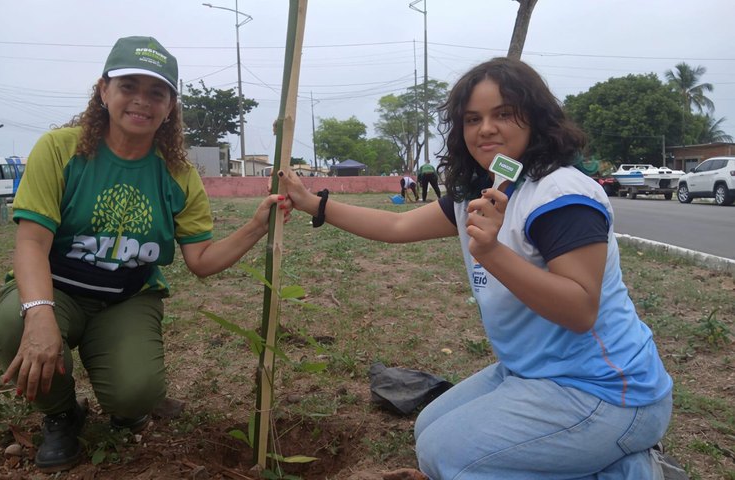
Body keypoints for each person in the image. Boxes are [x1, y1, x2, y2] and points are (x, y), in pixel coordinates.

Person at [278, 57, 672, 479]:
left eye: (503, 113)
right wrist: (313, 204)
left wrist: (493, 253)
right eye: (472, 118)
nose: (485, 128)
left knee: (443, 454)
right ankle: (611, 463)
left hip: (609, 393)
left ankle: (631, 468)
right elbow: (396, 224)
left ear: (536, 117)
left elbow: (580, 311)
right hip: (532, 373)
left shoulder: (562, 195)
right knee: (429, 425)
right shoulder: (481, 191)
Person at [0, 36, 291, 473]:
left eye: (156, 92)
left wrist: (256, 226)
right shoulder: (60, 150)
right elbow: (32, 243)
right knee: (14, 324)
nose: (141, 101)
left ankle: (125, 394)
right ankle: (61, 414)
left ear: (171, 106)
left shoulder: (179, 175)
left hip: (127, 298)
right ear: (103, 90)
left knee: (135, 394)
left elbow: (202, 261)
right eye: (128, 86)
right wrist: (40, 313)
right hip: (56, 289)